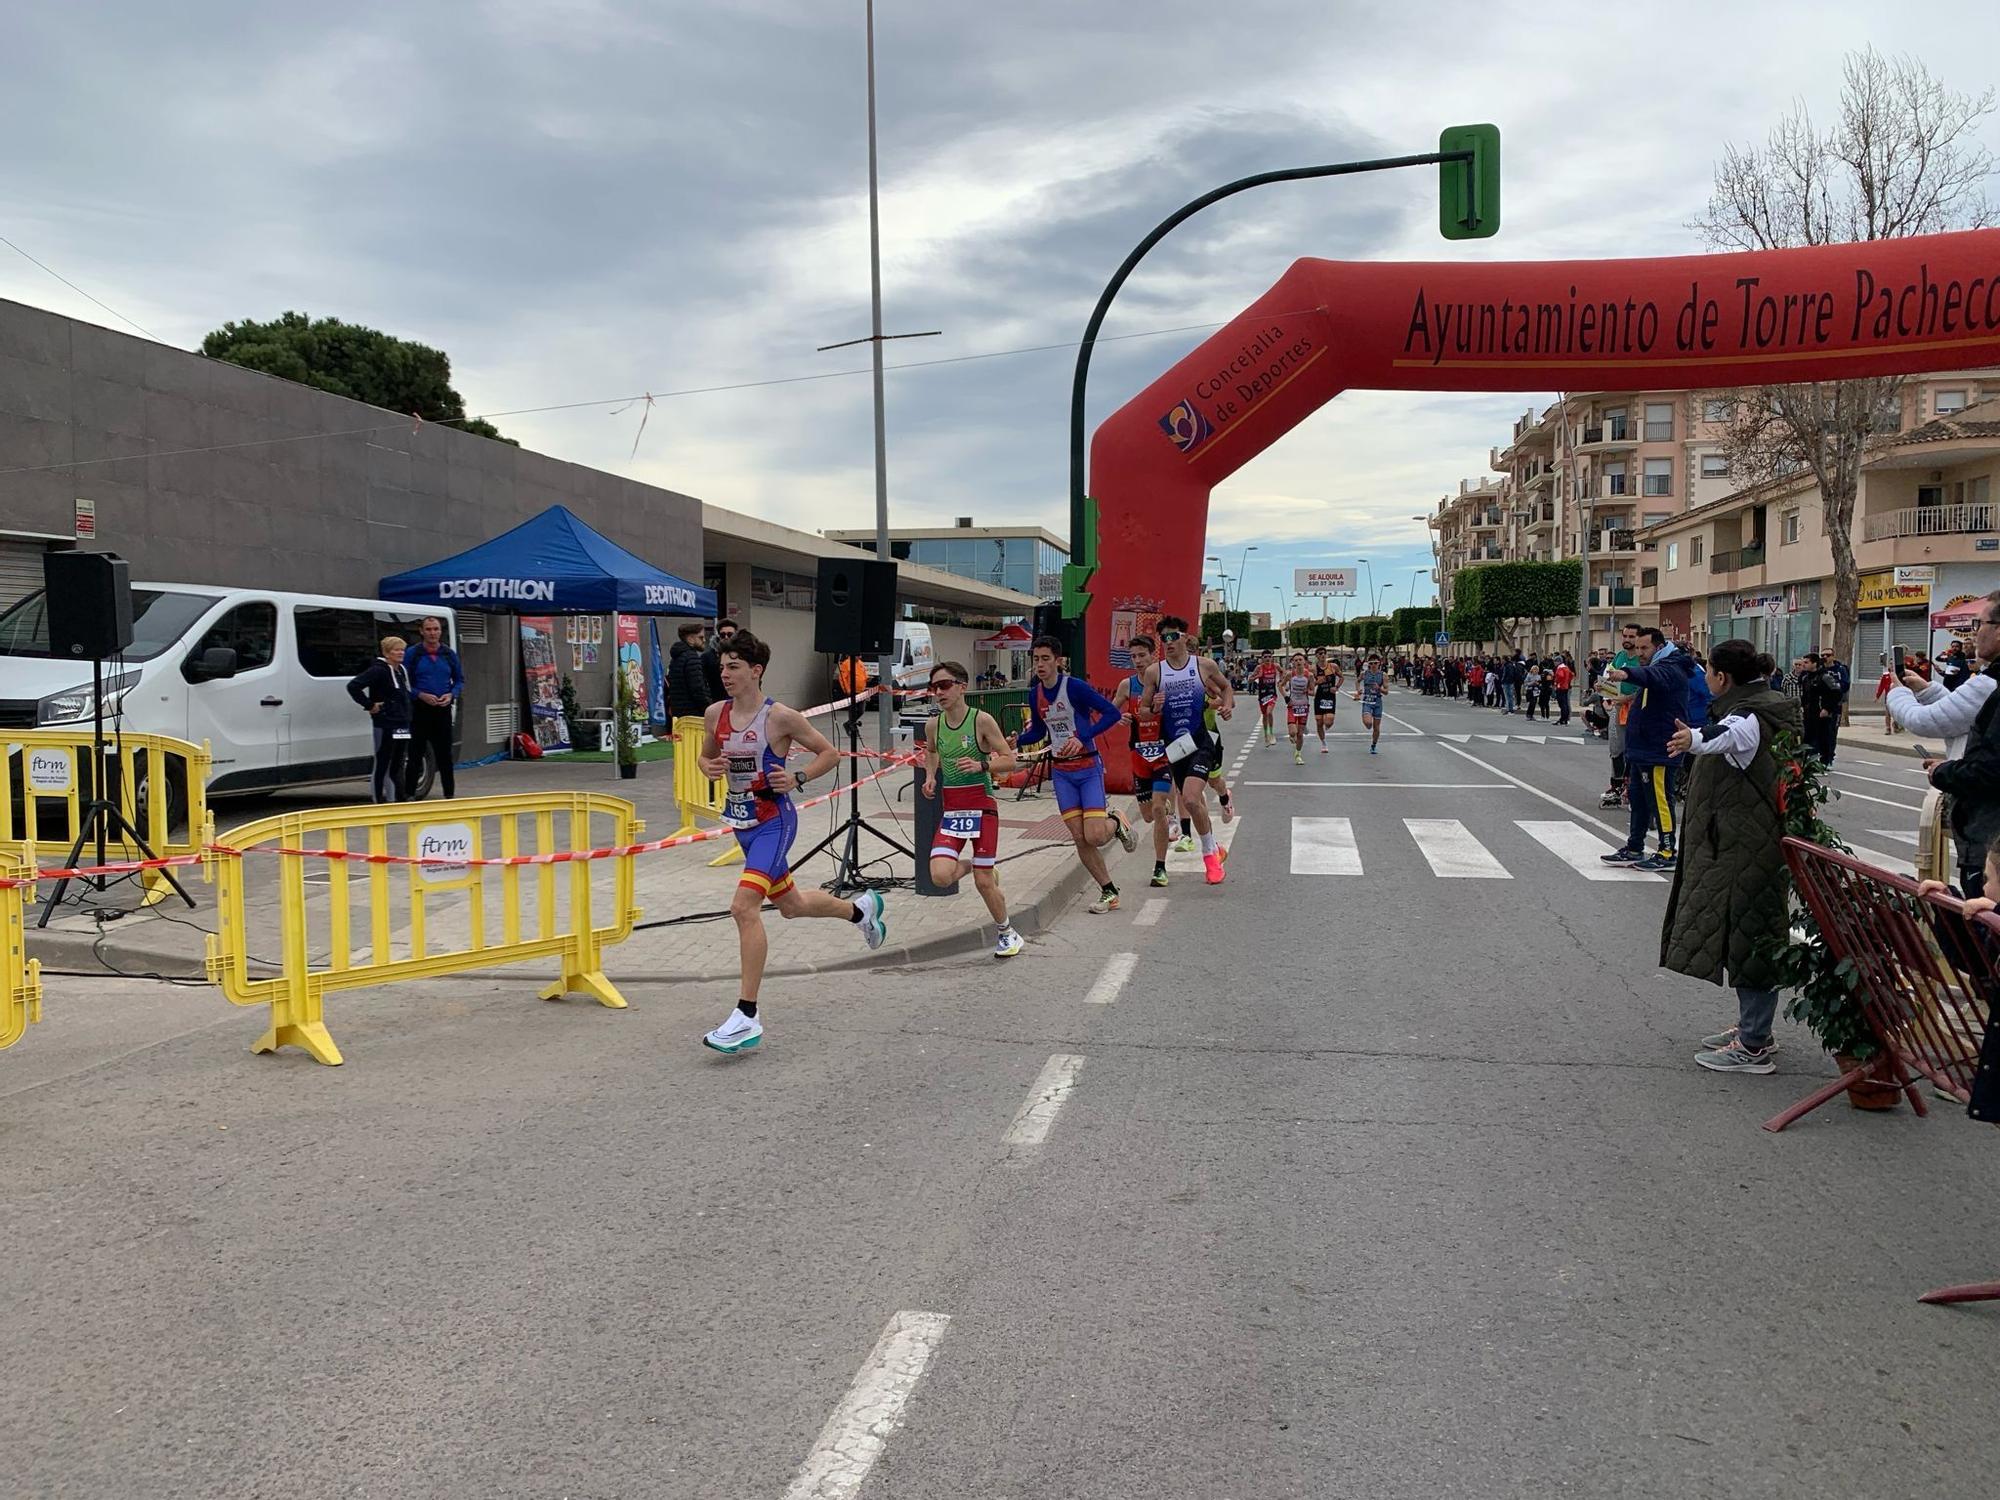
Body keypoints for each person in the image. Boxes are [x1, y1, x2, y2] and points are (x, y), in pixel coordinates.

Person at [697, 630, 888, 1055]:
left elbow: (829, 753)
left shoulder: (780, 717)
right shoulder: (715, 713)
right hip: (742, 823)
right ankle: (862, 912)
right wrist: (709, 767)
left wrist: (798, 777)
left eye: (734, 667)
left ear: (756, 671)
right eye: (723, 667)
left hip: (774, 822)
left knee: (743, 907)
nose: (725, 674)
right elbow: (705, 756)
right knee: (792, 905)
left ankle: (746, 1016)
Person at [1660, 640, 1803, 1074]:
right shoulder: (1761, 704)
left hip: (1746, 847)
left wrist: (1694, 739)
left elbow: (1728, 737)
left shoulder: (1748, 716)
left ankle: (1755, 1044)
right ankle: (1753, 1027)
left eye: (1708, 671)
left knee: (1751, 937)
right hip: (1745, 843)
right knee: (1743, 933)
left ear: (1723, 677)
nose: (1706, 678)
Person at [1019, 634, 1134, 913]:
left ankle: (1116, 822)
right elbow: (1038, 730)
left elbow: (1111, 714)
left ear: (1059, 661)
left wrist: (1083, 737)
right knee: (1079, 837)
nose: (1040, 665)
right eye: (1036, 659)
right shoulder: (1035, 694)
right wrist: (1018, 740)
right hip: (1061, 772)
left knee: (1093, 835)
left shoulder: (1075, 687)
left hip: (1087, 768)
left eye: (1046, 659)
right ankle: (1108, 891)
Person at [922, 661, 1025, 957]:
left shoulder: (981, 721)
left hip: (982, 807)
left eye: (944, 685)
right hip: (953, 809)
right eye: (934, 687)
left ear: (961, 687)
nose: (938, 692)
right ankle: (980, 868)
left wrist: (982, 764)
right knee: (940, 876)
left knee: (983, 883)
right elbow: (930, 750)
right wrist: (930, 776)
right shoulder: (934, 724)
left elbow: (1010, 759)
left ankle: (1008, 933)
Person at [1139, 616, 1235, 885]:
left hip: (1201, 742)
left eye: (1172, 637)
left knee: (1192, 799)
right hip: (1175, 747)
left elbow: (1226, 688)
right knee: (1189, 800)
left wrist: (1226, 706)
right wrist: (1154, 707)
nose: (1168, 643)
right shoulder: (1154, 673)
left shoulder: (1204, 666)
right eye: (1163, 639)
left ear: (1184, 637)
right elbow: (1143, 712)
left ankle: (1209, 858)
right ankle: (1216, 848)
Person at [1923, 592, 2000, 900]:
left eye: (1978, 623)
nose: (1973, 632)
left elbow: (1990, 771)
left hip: (1988, 838)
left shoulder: (1991, 684)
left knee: (1980, 930)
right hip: (1984, 836)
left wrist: (1944, 773)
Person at [1601, 626, 1694, 872]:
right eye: (1639, 647)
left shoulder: (1671, 668)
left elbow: (1651, 677)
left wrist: (1625, 675)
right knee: (1639, 800)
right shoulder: (1658, 666)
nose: (1640, 652)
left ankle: (1666, 851)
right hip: (1643, 748)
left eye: (1645, 648)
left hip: (1660, 748)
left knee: (1661, 800)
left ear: (1659, 647)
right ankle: (1634, 847)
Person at [1120, 635, 1177, 889]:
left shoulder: (1166, 681)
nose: (1138, 661)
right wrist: (1119, 718)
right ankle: (1124, 820)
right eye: (1133, 656)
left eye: (1142, 655)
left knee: (1157, 808)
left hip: (1163, 755)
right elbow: (1110, 711)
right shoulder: (1127, 685)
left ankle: (1160, 868)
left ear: (1153, 655)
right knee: (1148, 815)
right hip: (1138, 757)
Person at [346, 635, 414, 803]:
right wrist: (370, 705)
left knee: (398, 763)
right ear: (386, 653)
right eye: (396, 650)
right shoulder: (379, 670)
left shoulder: (401, 671)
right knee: (383, 762)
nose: (400, 653)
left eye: (402, 650)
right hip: (385, 723)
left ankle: (398, 799)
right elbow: (354, 686)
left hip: (402, 724)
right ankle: (380, 801)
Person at [400, 616, 462, 798]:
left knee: (445, 756)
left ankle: (449, 796)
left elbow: (459, 680)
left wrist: (451, 694)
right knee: (415, 754)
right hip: (419, 710)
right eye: (428, 629)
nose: (432, 633)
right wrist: (420, 694)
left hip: (442, 710)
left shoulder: (449, 654)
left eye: (435, 629)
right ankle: (409, 795)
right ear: (421, 631)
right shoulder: (413, 654)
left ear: (440, 631)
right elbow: (404, 681)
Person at [1602, 624, 1641, 807]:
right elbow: (1609, 677)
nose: (1627, 640)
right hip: (1617, 709)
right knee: (1616, 749)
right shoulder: (1619, 656)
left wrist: (1627, 698)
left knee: (1632, 750)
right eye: (1625, 636)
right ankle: (1616, 786)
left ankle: (1631, 788)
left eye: (1631, 637)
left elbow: (1645, 687)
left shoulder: (1642, 661)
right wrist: (1604, 692)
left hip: (1636, 709)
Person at [667, 622, 713, 720]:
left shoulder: (676, 657)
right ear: (691, 639)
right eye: (700, 637)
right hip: (694, 715)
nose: (704, 640)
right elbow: (698, 689)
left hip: (679, 714)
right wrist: (709, 708)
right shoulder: (692, 657)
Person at [1353, 652, 1388, 754]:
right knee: (1368, 723)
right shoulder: (1365, 674)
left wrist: (1379, 688)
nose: (1373, 665)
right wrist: (1358, 690)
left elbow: (1386, 692)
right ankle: (1367, 722)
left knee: (1376, 728)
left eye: (1375, 663)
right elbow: (1357, 681)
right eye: (1371, 663)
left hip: (1377, 702)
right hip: (1367, 701)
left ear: (1379, 664)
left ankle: (1373, 745)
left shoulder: (1383, 675)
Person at [1283, 652, 1313, 764]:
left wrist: (1307, 691)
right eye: (1296, 660)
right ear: (1293, 663)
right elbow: (1281, 685)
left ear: (1304, 661)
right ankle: (1292, 735)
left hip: (1304, 706)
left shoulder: (1309, 675)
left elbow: (1313, 692)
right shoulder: (1290, 675)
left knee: (1299, 734)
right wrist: (1286, 697)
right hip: (1292, 705)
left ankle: (1298, 754)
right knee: (1292, 732)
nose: (1298, 662)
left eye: (1300, 659)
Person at [701, 618, 738, 704]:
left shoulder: (742, 655)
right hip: (716, 701)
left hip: (737, 701)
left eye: (730, 634)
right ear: (718, 636)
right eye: (722, 635)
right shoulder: (707, 657)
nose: (726, 637)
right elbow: (702, 682)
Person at [1312, 657, 1341, 753]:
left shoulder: (1333, 667)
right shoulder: (1314, 669)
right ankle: (1323, 743)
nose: (1322, 655)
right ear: (1317, 655)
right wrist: (1317, 682)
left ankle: (1327, 725)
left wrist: (1336, 687)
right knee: (1319, 722)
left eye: (1323, 653)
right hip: (1319, 697)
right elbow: (1310, 684)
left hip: (1330, 697)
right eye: (1320, 654)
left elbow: (1341, 677)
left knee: (1328, 721)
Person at [1253, 650, 1279, 746]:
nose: (1268, 658)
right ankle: (1266, 735)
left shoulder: (1275, 666)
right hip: (1263, 695)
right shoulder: (1259, 668)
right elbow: (1250, 679)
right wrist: (1257, 676)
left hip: (1272, 694)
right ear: (1262, 658)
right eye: (1265, 657)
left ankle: (1271, 733)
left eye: (1269, 656)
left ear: (1272, 657)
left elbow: (1283, 672)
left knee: (1269, 712)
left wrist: (1281, 682)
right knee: (1264, 715)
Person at [1552, 655, 1574, 726]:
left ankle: (1563, 719)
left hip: (1560, 687)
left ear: (1558, 662)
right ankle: (1565, 719)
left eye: (1555, 661)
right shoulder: (1566, 667)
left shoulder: (1560, 668)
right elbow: (1571, 675)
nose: (1554, 663)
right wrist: (1567, 681)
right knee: (1565, 703)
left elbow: (1560, 676)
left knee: (1562, 703)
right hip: (1566, 686)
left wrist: (1557, 682)